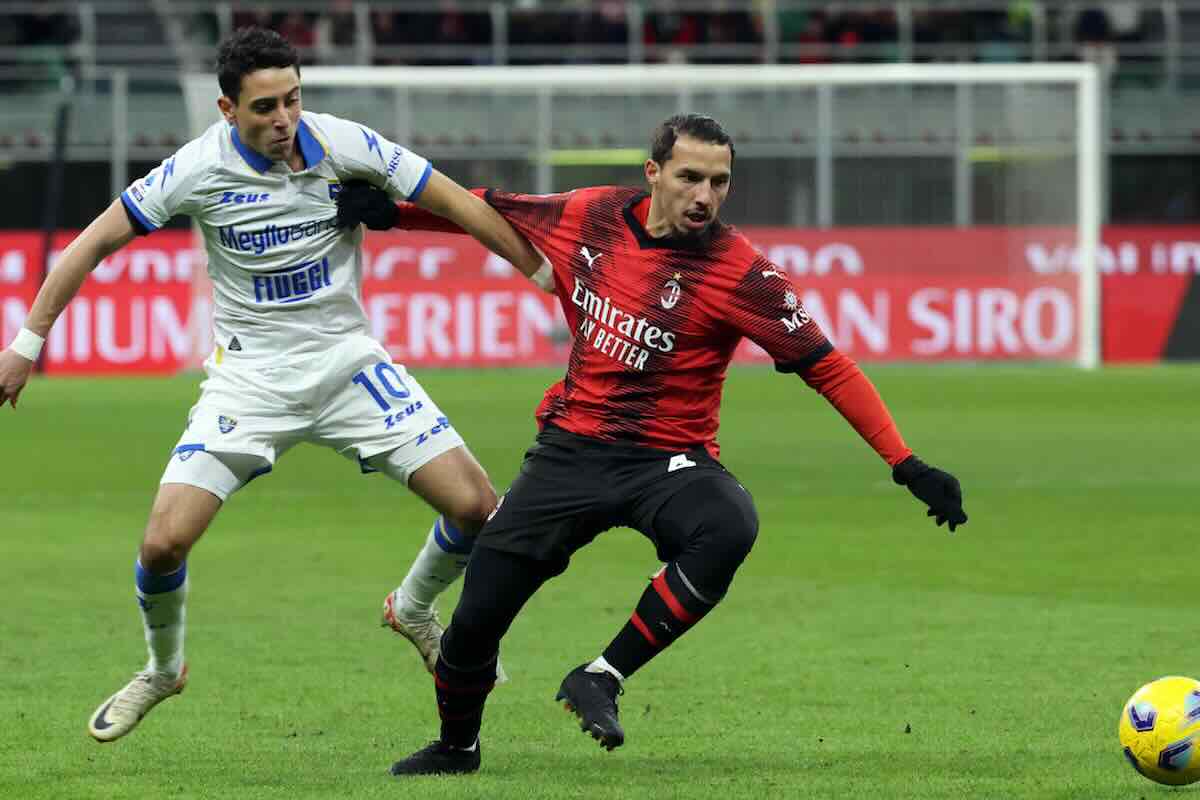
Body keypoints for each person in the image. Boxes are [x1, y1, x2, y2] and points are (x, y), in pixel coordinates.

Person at [334, 112, 969, 776]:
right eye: (690, 177)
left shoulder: (741, 273)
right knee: (473, 626)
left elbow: (826, 364)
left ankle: (602, 677)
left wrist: (905, 462)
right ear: (654, 173)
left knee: (728, 524)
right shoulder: (594, 216)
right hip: (570, 452)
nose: (705, 196)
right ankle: (457, 747)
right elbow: (490, 213)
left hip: (668, 462)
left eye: (719, 182)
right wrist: (396, 215)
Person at [0, 27, 547, 743]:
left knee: (479, 506)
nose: (284, 118)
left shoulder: (345, 142)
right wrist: (26, 343)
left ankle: (413, 607)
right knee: (163, 544)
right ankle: (163, 670)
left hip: (349, 366)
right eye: (265, 107)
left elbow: (458, 203)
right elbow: (93, 242)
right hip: (249, 383)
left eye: (292, 99)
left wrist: (543, 277)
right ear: (228, 110)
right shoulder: (196, 169)